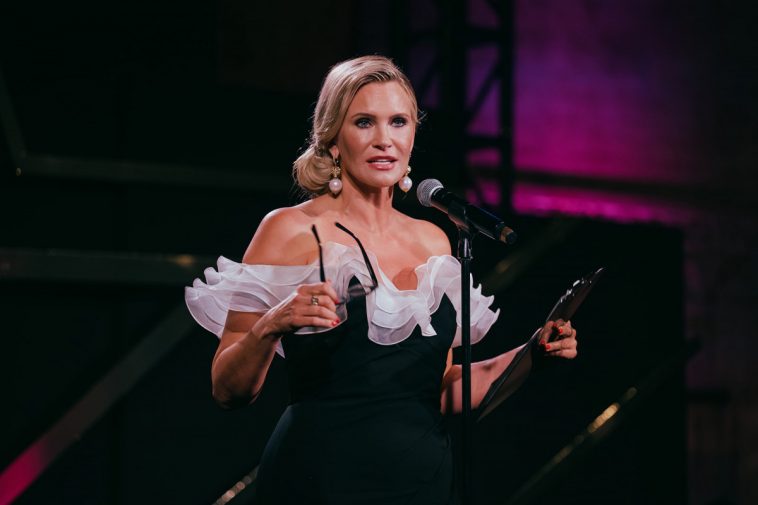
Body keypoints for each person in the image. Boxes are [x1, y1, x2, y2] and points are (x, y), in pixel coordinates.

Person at [185, 55, 578, 505]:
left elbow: (443, 388)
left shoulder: (433, 240)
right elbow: (228, 390)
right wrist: (270, 324)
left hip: (422, 482)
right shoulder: (291, 230)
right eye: (364, 122)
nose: (384, 140)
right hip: (320, 480)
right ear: (333, 140)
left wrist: (531, 353)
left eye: (398, 122)